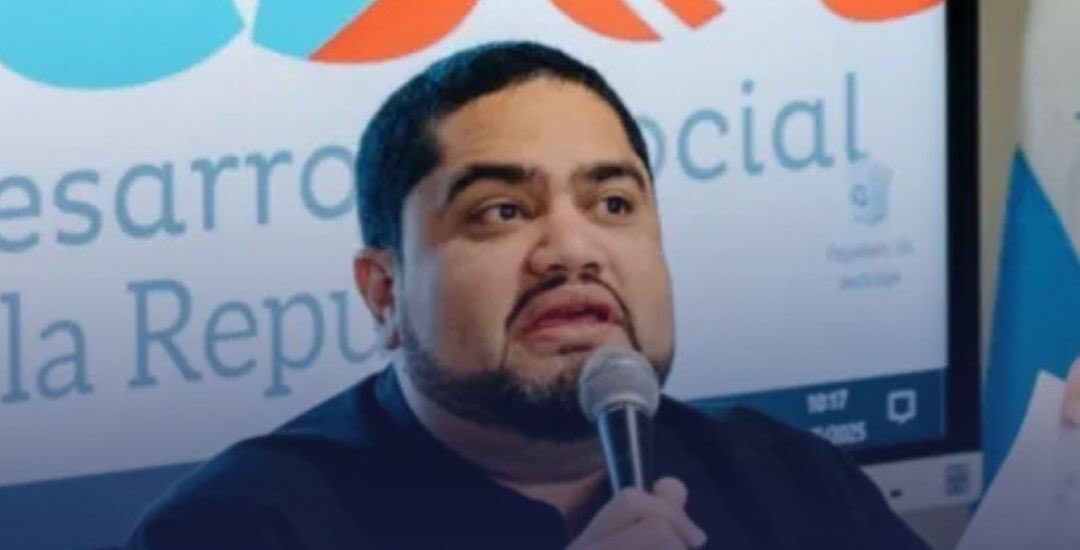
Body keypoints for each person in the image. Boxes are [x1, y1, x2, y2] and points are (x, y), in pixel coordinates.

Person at [124, 41, 930, 550]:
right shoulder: (240, 528)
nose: (573, 251)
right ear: (385, 294)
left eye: (612, 204)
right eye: (502, 212)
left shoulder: (789, 481)